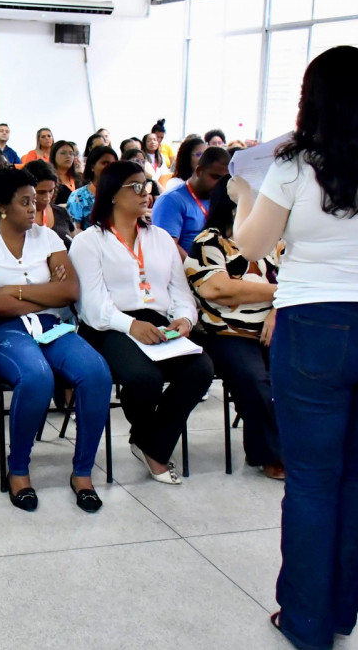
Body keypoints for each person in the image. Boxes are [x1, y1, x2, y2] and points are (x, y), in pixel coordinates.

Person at [229, 45, 358, 650]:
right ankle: (340, 612)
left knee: (314, 479)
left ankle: (305, 620)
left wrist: (247, 195)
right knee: (351, 471)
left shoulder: (297, 165)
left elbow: (255, 246)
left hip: (320, 326)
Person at [0, 167, 112, 513]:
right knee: (37, 376)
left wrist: (13, 290)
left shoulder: (48, 238)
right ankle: (19, 470)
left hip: (49, 326)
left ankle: (83, 473)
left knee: (97, 373)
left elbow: (70, 291)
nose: (35, 207)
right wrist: (46, 292)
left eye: (36, 200)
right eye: (25, 201)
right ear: (2, 206)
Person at [70, 161, 213, 486]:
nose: (145, 193)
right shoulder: (90, 241)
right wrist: (130, 326)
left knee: (200, 370)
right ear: (112, 195)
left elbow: (179, 290)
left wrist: (184, 319)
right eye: (135, 187)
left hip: (159, 323)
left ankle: (150, 444)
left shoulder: (160, 238)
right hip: (108, 327)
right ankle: (153, 446)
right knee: (143, 376)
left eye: (147, 186)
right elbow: (92, 305)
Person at [184, 176, 284, 480]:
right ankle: (271, 456)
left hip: (275, 327)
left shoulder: (273, 242)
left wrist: (278, 309)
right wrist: (281, 292)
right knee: (256, 381)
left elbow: (299, 279)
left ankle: (305, 450)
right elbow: (219, 290)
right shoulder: (208, 242)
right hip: (228, 334)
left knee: (301, 378)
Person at [152, 145, 231, 259]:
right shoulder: (171, 200)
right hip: (190, 273)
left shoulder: (220, 198)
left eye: (224, 180)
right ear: (199, 171)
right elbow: (168, 246)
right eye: (215, 177)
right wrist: (198, 270)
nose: (220, 184)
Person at [66, 145, 119, 231]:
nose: (110, 167)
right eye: (105, 163)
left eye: (113, 164)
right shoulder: (78, 196)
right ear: (92, 167)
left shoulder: (121, 192)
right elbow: (75, 230)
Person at [24, 160, 75, 246]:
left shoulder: (62, 213)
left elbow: (75, 244)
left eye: (51, 191)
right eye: (41, 192)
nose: (47, 198)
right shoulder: (17, 218)